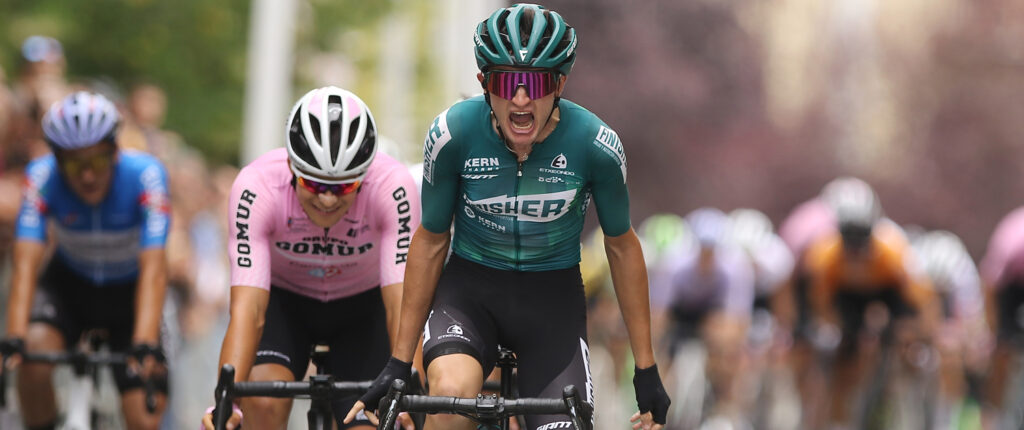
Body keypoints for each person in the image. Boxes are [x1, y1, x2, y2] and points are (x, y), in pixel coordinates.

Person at [346, 4, 671, 430]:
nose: (520, 100)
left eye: (535, 83)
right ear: (484, 83)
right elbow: (431, 240)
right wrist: (399, 362)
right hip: (469, 296)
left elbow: (622, 248)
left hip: (552, 304)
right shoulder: (452, 134)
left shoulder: (595, 145)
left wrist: (645, 367)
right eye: (505, 82)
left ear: (559, 84)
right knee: (449, 401)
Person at [200, 86, 420, 430]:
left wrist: (411, 392)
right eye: (314, 184)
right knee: (263, 402)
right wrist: (228, 401)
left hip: (363, 311)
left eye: (344, 187)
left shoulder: (392, 186)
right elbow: (248, 311)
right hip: (286, 306)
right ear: (291, 165)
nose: (328, 200)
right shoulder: (257, 186)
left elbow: (401, 305)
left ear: (365, 175)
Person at [0, 91, 171, 430]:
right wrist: (14, 336)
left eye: (98, 163)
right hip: (69, 287)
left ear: (115, 152)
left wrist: (145, 342)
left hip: (130, 294)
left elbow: (154, 268)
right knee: (33, 352)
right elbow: (25, 262)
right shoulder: (41, 176)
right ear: (57, 160)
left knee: (143, 416)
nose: (88, 176)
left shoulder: (146, 174)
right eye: (74, 165)